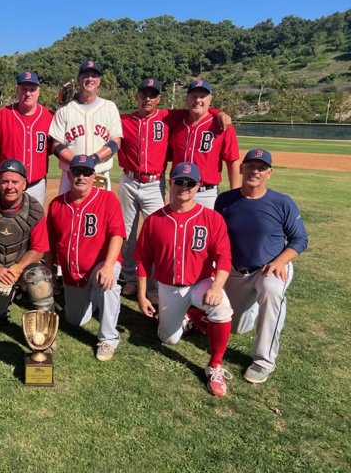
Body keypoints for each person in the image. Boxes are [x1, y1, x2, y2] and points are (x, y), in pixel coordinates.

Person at [118, 78, 231, 296]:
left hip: (155, 182)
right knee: (128, 233)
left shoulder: (169, 116)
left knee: (161, 233)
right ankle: (131, 279)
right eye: (144, 94)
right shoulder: (124, 119)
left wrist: (218, 112)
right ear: (137, 96)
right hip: (129, 180)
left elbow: (198, 108)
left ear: (159, 98)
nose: (147, 98)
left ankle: (157, 283)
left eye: (152, 95)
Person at [135, 162, 234, 396]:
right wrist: (141, 295)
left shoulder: (212, 218)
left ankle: (215, 365)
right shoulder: (155, 220)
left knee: (222, 307)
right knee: (168, 339)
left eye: (190, 183)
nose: (184, 187)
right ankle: (190, 317)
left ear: (198, 186)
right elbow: (142, 259)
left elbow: (224, 258)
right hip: (168, 286)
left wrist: (218, 286)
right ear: (170, 182)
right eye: (179, 181)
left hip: (200, 282)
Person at [215, 149, 308, 384]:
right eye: (250, 166)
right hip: (236, 271)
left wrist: (280, 261)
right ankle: (252, 309)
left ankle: (263, 360)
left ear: (269, 173)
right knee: (236, 328)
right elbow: (217, 238)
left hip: (269, 268)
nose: (254, 171)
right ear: (241, 168)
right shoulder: (226, 200)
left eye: (261, 167)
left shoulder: (282, 202)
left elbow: (300, 239)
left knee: (272, 292)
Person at [46, 155, 126, 361]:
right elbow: (50, 244)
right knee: (75, 321)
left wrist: (109, 266)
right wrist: (50, 273)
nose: (81, 176)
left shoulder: (107, 199)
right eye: (77, 172)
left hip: (100, 266)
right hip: (73, 273)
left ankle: (108, 337)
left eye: (87, 172)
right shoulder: (57, 204)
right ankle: (92, 299)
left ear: (93, 175)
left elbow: (117, 234)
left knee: (108, 284)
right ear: (69, 174)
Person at [0, 159, 54, 325]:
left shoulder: (34, 209)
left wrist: (18, 268)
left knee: (40, 278)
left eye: (15, 182)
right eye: (5, 181)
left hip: (23, 267)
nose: (9, 186)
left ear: (24, 184)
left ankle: (45, 324)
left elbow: (39, 249)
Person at [49, 60, 122, 194]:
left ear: (99, 81)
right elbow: (56, 145)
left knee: (101, 214)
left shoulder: (109, 107)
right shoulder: (64, 109)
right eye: (85, 75)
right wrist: (78, 163)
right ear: (79, 79)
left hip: (100, 175)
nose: (90, 79)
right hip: (70, 175)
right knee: (67, 214)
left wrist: (93, 159)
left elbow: (116, 141)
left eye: (94, 75)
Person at [0, 71, 54, 205]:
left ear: (38, 91)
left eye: (32, 89)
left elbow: (55, 148)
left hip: (36, 185)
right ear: (17, 90)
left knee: (33, 224)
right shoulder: (4, 114)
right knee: (7, 224)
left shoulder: (49, 116)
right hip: (9, 187)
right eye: (24, 89)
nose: (28, 93)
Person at [168, 79, 241, 209]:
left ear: (210, 100)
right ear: (187, 99)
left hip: (206, 194)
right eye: (194, 96)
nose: (197, 100)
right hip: (178, 190)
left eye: (202, 96)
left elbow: (232, 160)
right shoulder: (177, 122)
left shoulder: (222, 125)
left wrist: (235, 194)